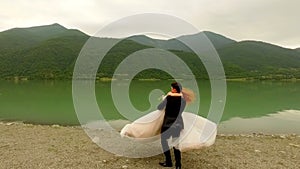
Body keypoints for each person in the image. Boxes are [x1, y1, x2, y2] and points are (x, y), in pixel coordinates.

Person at [157, 82, 192, 169]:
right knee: (176, 144)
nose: (171, 89)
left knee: (164, 141)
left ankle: (168, 162)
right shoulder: (183, 100)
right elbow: (180, 112)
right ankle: (178, 165)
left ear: (175, 89)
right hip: (178, 124)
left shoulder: (169, 98)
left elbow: (159, 107)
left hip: (168, 124)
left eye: (172, 88)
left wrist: (164, 99)